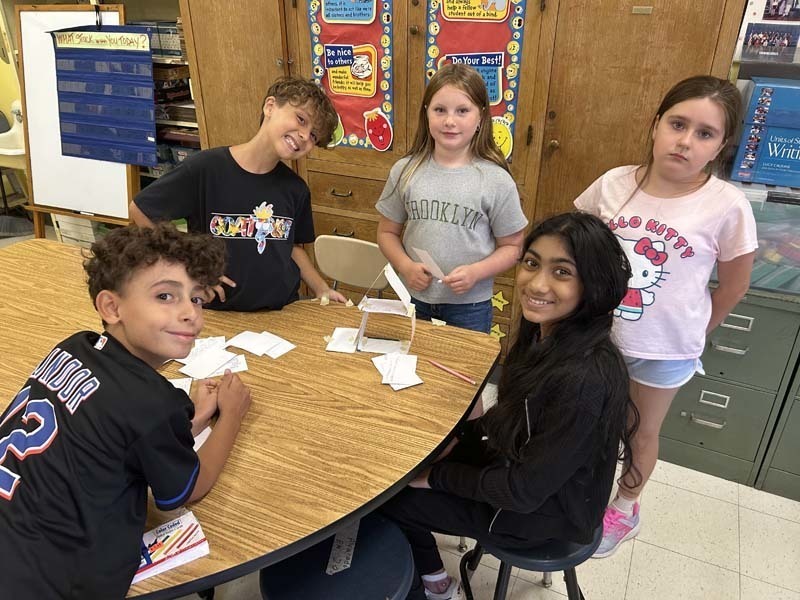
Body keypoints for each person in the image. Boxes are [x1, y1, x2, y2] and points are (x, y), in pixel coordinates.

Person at [381, 212, 639, 600]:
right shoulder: (545, 334)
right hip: (527, 473)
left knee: (392, 498)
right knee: (413, 457)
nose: (536, 284)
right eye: (532, 263)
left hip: (545, 517)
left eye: (562, 272)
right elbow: (518, 420)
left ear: (594, 284)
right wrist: (463, 439)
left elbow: (523, 492)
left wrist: (436, 477)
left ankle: (432, 584)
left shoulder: (583, 376)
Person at [0, 224, 252, 599]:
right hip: (49, 580)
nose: (190, 313)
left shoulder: (75, 345)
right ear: (111, 306)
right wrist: (231, 415)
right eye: (166, 296)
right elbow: (188, 490)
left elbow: (109, 427)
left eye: (196, 299)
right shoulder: (153, 405)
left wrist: (193, 417)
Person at [574, 75, 757, 558]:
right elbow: (576, 251)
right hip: (598, 339)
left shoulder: (727, 205)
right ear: (656, 125)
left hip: (666, 350)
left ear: (720, 145)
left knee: (639, 432)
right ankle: (580, 495)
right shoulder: (612, 185)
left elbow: (735, 285)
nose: (685, 141)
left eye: (705, 133)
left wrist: (691, 332)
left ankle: (625, 508)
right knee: (588, 423)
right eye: (678, 124)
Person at [130, 76, 347, 311]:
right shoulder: (205, 169)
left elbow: (292, 247)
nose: (305, 135)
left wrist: (321, 288)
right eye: (301, 119)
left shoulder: (296, 189)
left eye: (314, 135)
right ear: (270, 107)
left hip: (280, 312)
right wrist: (186, 267)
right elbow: (140, 211)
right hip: (219, 313)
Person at [375, 63, 527, 333]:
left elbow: (513, 247)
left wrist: (476, 272)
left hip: (469, 306)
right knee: (410, 368)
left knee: (462, 373)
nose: (449, 121)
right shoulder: (405, 170)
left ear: (480, 117)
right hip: (413, 298)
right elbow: (386, 232)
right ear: (426, 114)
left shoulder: (496, 180)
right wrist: (405, 265)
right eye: (440, 110)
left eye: (462, 111)